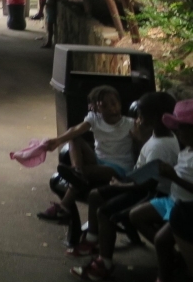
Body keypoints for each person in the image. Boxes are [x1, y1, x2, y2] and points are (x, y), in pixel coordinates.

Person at [71, 92, 179, 278]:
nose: (137, 119)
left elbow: (148, 185)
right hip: (138, 182)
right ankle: (92, 239)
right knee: (96, 195)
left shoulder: (161, 147)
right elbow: (144, 167)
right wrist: (138, 140)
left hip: (152, 193)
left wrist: (121, 185)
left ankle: (104, 264)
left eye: (141, 115)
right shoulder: (157, 136)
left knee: (106, 213)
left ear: (154, 119)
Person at [40, 86, 139, 234]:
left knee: (83, 175)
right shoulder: (94, 119)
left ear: (120, 103)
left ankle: (64, 205)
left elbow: (142, 143)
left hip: (118, 168)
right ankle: (77, 171)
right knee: (74, 139)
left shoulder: (130, 124)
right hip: (98, 159)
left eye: (114, 103)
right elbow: (75, 130)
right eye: (104, 106)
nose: (111, 108)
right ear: (96, 108)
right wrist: (57, 141)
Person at [127, 99, 193, 282]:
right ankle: (172, 263)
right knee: (136, 216)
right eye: (177, 127)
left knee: (161, 241)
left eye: (183, 128)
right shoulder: (186, 150)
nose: (178, 132)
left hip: (187, 209)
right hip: (174, 200)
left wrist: (173, 177)